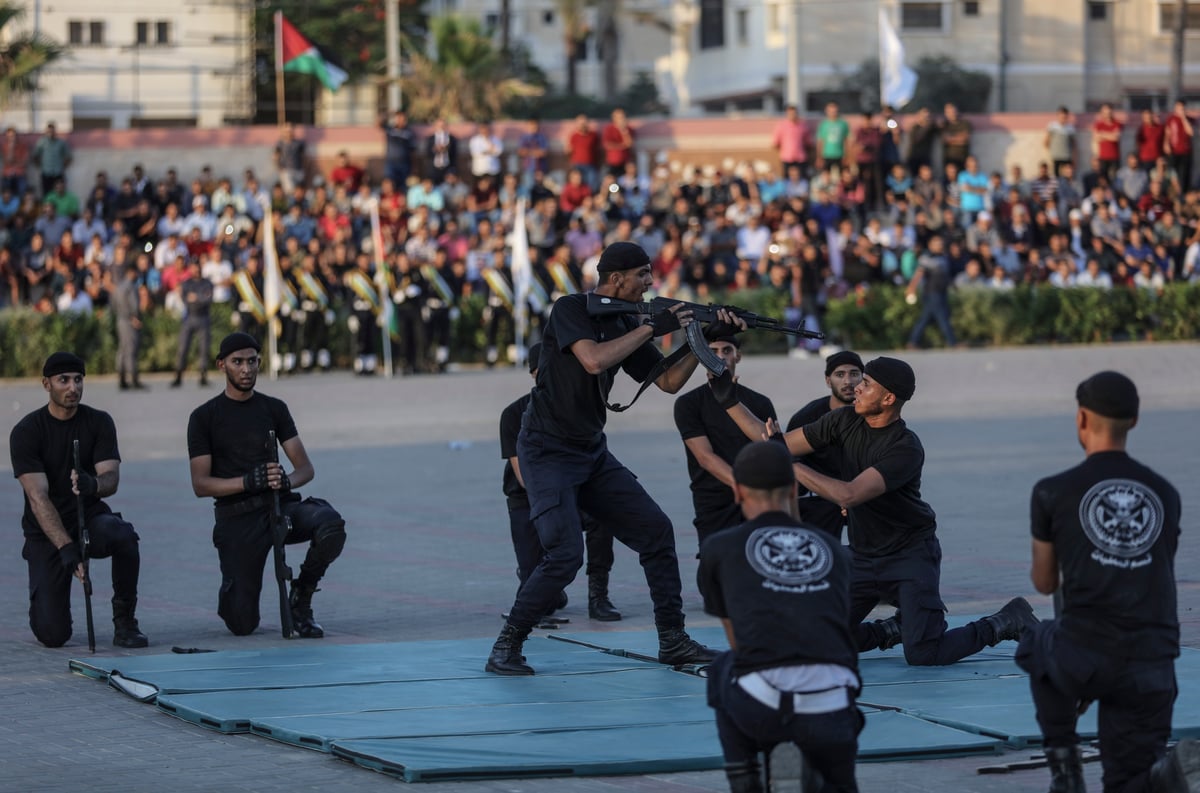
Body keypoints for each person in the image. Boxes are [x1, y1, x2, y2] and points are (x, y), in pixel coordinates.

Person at [485, 241, 727, 676]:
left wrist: (701, 338)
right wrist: (652, 328)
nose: (651, 283)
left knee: (656, 532)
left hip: (590, 450)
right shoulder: (571, 308)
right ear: (616, 279)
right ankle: (507, 645)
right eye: (643, 275)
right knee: (563, 554)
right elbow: (593, 360)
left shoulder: (622, 321)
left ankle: (673, 641)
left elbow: (668, 382)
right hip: (546, 449)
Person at [713, 356, 1038, 666]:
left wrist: (784, 459)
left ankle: (1005, 621)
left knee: (925, 654)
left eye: (866, 383)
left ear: (888, 399)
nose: (856, 386)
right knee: (815, 637)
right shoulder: (844, 420)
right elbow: (776, 441)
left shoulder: (905, 448)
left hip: (909, 554)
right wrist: (729, 400)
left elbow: (849, 494)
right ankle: (889, 630)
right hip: (863, 556)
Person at [1016, 371, 1198, 793]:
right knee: (1128, 781)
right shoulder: (1165, 493)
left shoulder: (1052, 491)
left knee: (1036, 642)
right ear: (1133, 421)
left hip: (1087, 651)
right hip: (1154, 660)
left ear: (1081, 419)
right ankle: (1166, 775)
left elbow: (1044, 583)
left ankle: (1066, 772)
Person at [699, 441, 860, 793]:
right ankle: (822, 774)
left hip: (763, 705)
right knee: (839, 778)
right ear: (793, 489)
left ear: (738, 491)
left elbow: (739, 643)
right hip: (833, 704)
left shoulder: (720, 548)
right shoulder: (834, 550)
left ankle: (745, 775)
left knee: (723, 668)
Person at [186, 333, 347, 637]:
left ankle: (302, 597)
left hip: (279, 506)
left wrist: (285, 479)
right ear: (222, 365)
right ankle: (233, 588)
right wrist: (247, 482)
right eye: (237, 362)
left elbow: (305, 468)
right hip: (237, 518)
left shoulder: (274, 408)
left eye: (252, 361)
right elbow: (200, 484)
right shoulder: (204, 417)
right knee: (242, 624)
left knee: (330, 525)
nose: (246, 369)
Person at [9, 352, 149, 648]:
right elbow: (37, 497)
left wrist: (92, 484)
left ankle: (125, 622)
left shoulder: (98, 422)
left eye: (78, 379)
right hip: (46, 532)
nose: (73, 387)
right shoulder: (27, 431)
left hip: (89, 518)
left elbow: (111, 479)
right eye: (64, 380)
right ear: (47, 384)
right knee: (53, 635)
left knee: (124, 536)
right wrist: (66, 547)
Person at [500, 343, 621, 623]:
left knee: (602, 518)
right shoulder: (513, 414)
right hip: (529, 499)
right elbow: (525, 478)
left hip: (574, 489)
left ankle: (598, 595)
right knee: (539, 601)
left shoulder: (578, 408)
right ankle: (546, 588)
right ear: (533, 374)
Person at [674, 334, 777, 557]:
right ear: (701, 356)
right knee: (715, 567)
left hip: (757, 498)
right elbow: (705, 457)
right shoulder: (688, 403)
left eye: (727, 351)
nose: (720, 357)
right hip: (713, 499)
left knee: (758, 561)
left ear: (737, 356)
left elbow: (772, 447)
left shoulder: (760, 402)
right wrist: (742, 487)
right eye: (712, 351)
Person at [785, 351, 863, 538]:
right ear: (828, 380)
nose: (847, 382)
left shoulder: (873, 414)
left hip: (863, 494)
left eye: (854, 374)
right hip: (819, 499)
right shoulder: (807, 417)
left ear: (863, 379)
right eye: (839, 374)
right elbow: (788, 462)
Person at [906, 235, 957, 349]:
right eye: (937, 243)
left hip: (942, 291)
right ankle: (953, 342)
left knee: (925, 319)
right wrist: (911, 288)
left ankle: (913, 342)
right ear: (930, 245)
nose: (940, 246)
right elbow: (919, 274)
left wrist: (953, 285)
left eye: (941, 243)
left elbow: (946, 275)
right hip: (932, 292)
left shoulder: (943, 257)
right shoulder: (926, 258)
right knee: (942, 317)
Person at [172, 259, 213, 388]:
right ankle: (178, 376)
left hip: (203, 317)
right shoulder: (186, 283)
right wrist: (199, 297)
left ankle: (203, 376)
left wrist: (196, 297)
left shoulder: (207, 283)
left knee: (203, 349)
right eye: (194, 267)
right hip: (189, 318)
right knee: (183, 348)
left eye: (198, 267)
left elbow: (208, 299)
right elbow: (185, 299)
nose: (196, 270)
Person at [112, 262, 147, 391]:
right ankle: (134, 379)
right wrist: (133, 317)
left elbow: (114, 305)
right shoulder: (130, 287)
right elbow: (130, 304)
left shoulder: (119, 287)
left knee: (123, 349)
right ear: (131, 272)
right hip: (129, 321)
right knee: (131, 350)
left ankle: (122, 379)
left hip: (121, 320)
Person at [380, 111, 417, 189]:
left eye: (403, 118)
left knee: (403, 186)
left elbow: (413, 150)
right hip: (391, 163)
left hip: (405, 163)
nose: (401, 121)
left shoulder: (409, 132)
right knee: (389, 184)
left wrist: (413, 167)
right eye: (398, 118)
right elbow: (378, 123)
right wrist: (388, 114)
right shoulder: (390, 129)